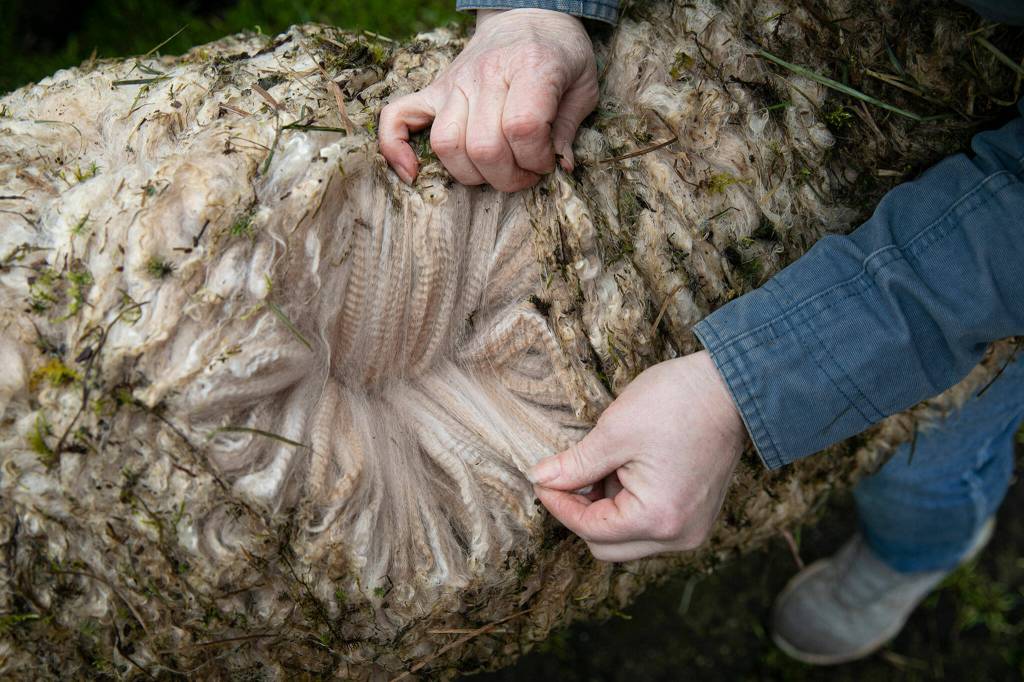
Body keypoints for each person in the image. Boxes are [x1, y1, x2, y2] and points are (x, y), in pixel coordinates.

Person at [377, 0, 1024, 665]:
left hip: (974, 193)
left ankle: (917, 548)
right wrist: (536, 13)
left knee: (930, 447)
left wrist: (748, 383)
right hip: (726, 46)